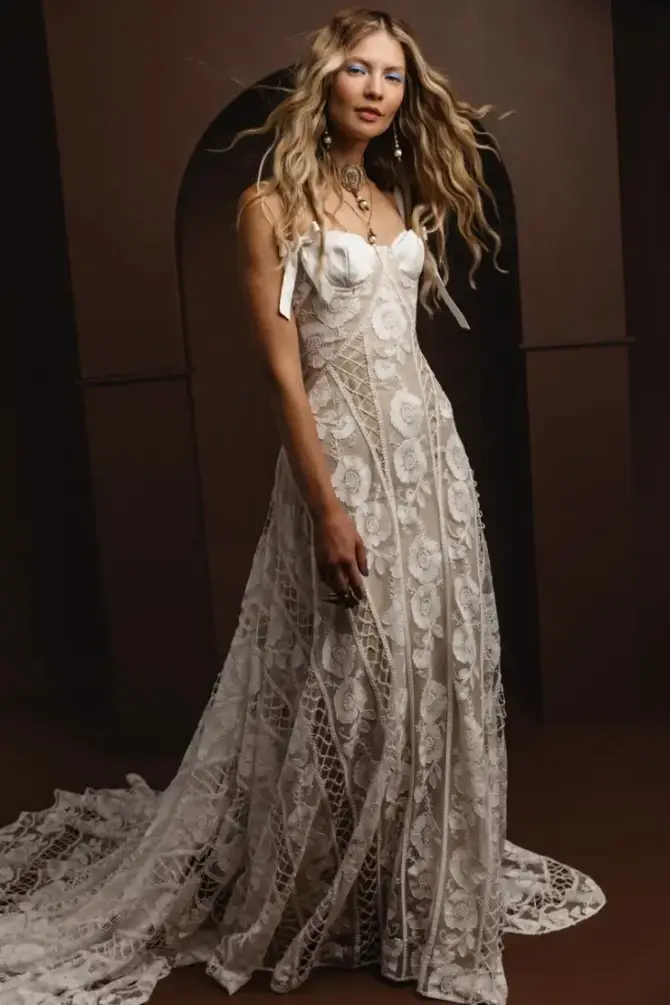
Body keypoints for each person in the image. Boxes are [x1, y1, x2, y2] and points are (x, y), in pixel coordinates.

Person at [0, 8, 605, 1005]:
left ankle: (400, 889)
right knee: (354, 669)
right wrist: (326, 507)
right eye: (360, 70)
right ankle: (322, 886)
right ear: (325, 79)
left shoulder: (391, 195)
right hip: (344, 461)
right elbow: (285, 375)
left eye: (393, 76)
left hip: (428, 457)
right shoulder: (268, 205)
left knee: (428, 665)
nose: (377, 89)